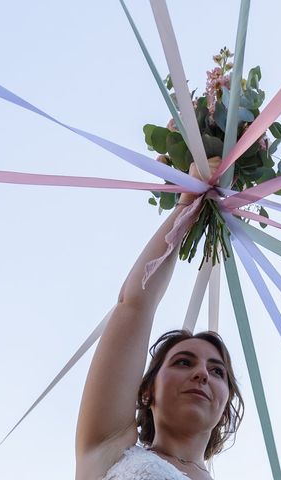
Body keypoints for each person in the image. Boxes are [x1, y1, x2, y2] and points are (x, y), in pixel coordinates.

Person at [75, 157, 244, 480]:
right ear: (147, 390)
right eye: (183, 362)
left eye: (217, 371)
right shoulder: (109, 449)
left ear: (226, 404)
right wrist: (188, 202)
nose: (202, 374)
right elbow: (134, 306)